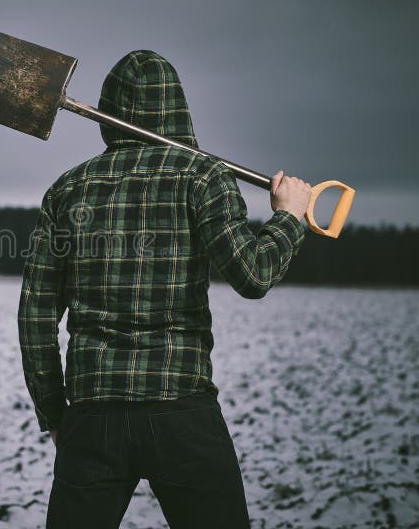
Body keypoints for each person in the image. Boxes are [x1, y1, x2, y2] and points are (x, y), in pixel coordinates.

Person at [17, 50, 312, 529]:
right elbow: (254, 275)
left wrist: (55, 412)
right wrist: (288, 216)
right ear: (177, 107)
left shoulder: (69, 189)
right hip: (183, 413)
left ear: (109, 111)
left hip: (93, 417)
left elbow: (34, 316)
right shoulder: (204, 178)